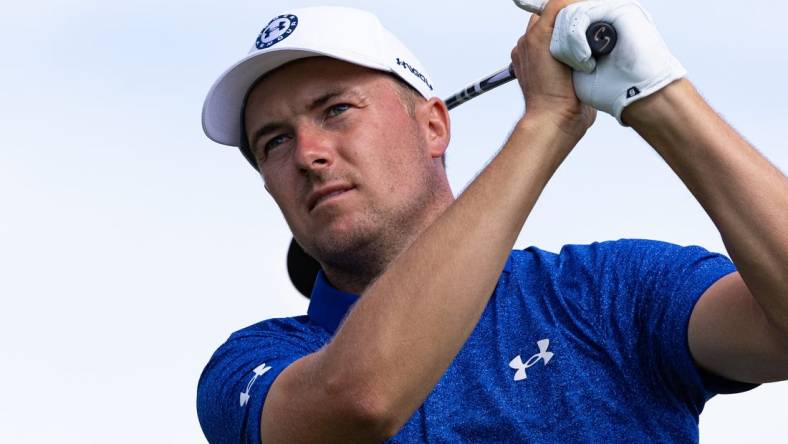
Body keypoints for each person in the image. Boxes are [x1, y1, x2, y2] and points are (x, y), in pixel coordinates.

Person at [196, 1, 788, 443]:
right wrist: (545, 125)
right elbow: (360, 399)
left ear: (433, 126)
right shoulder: (251, 366)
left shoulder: (607, 291)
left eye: (337, 110)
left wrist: (656, 91)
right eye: (274, 141)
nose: (308, 153)